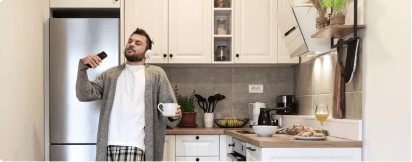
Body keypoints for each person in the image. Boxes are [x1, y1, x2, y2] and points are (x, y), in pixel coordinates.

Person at [76, 27, 181, 162]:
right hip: (108, 146)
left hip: (136, 145)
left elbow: (171, 113)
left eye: (138, 43)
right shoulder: (111, 75)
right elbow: (84, 95)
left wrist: (173, 116)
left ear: (147, 52)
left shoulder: (156, 75)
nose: (131, 44)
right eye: (130, 41)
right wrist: (82, 68)